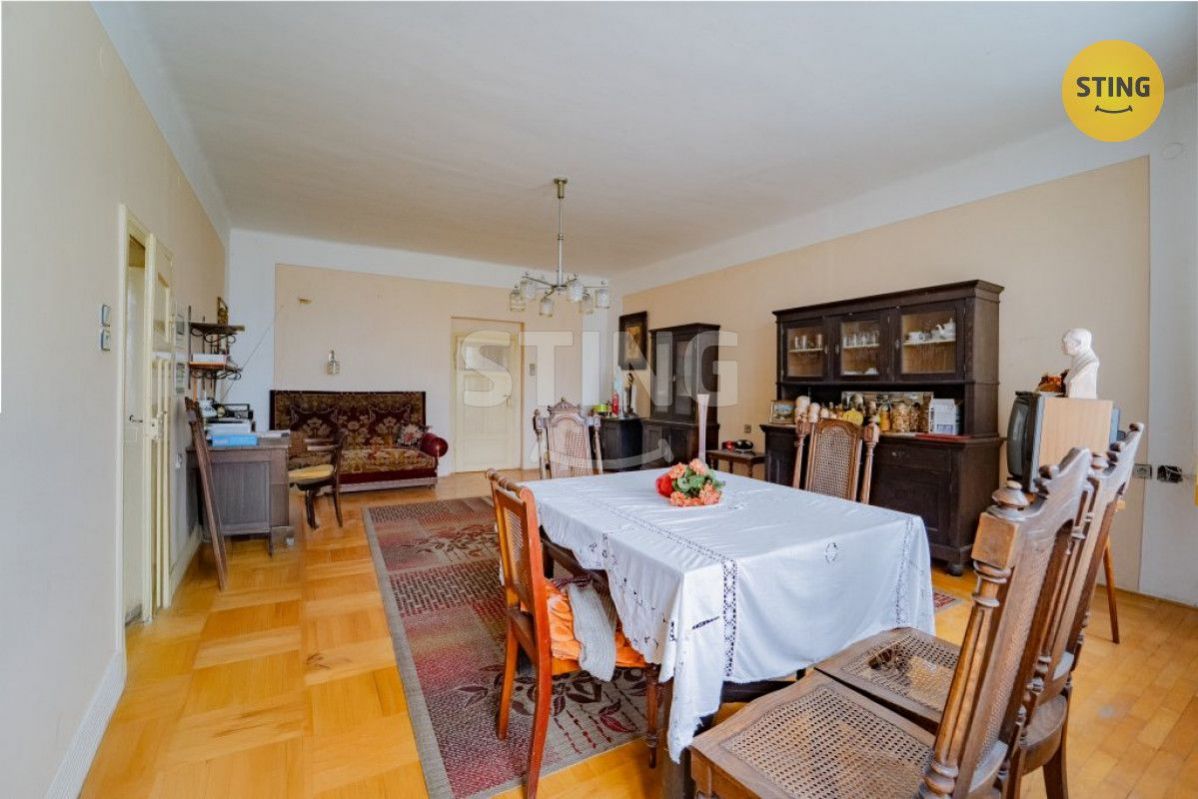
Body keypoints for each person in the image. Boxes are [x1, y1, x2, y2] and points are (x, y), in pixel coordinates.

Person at [1061, 328, 1099, 399]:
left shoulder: (1090, 363)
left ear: (1078, 344)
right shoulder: (1077, 360)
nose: (1063, 346)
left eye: (1066, 343)